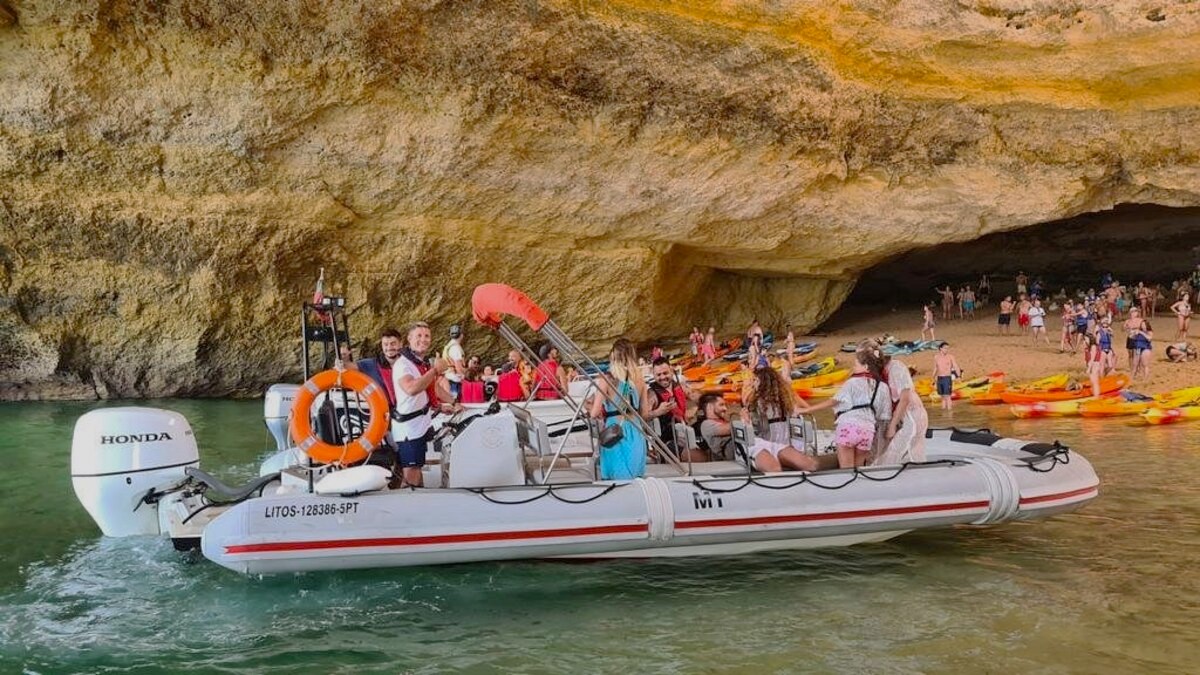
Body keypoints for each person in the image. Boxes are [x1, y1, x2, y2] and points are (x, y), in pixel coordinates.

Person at [801, 346, 892, 469]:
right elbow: (884, 416)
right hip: (867, 431)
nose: (853, 368)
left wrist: (805, 409)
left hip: (848, 427)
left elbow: (833, 401)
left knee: (845, 471)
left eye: (856, 365)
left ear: (865, 367)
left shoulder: (852, 382)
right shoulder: (883, 387)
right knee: (859, 470)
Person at [392, 321, 453, 488]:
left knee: (417, 467)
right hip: (409, 428)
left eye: (427, 336)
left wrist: (454, 403)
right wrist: (435, 371)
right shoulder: (403, 364)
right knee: (411, 472)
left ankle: (421, 499)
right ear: (409, 339)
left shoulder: (421, 363)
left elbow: (433, 388)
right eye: (418, 336)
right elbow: (411, 389)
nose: (423, 339)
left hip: (420, 425)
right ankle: (410, 507)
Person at [740, 365, 822, 472]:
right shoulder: (759, 403)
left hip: (777, 443)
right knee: (775, 467)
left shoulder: (781, 402)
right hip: (763, 444)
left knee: (810, 465)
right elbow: (751, 432)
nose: (753, 383)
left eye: (755, 380)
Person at [590, 338, 650, 480]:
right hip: (635, 431)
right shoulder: (640, 380)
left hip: (615, 432)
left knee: (616, 479)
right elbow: (645, 414)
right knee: (635, 479)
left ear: (614, 356)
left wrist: (589, 406)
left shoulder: (607, 379)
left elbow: (594, 412)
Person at [646, 357, 702, 462]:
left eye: (665, 373)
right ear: (653, 375)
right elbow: (643, 416)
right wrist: (658, 412)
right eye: (658, 375)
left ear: (671, 371)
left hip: (684, 433)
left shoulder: (680, 387)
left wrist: (697, 409)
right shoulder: (651, 394)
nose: (662, 377)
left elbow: (698, 397)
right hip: (666, 443)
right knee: (699, 456)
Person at [356, 328, 404, 410]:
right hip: (384, 412)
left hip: (408, 412)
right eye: (385, 344)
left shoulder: (409, 363)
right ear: (382, 346)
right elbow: (349, 366)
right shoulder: (371, 364)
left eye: (393, 344)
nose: (389, 347)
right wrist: (342, 360)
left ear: (400, 344)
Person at [694, 393, 734, 462]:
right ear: (710, 406)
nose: (725, 408)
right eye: (721, 405)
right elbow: (729, 429)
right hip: (729, 459)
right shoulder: (706, 424)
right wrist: (744, 421)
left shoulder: (722, 421)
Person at [441, 324, 467, 401]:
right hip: (455, 381)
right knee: (457, 403)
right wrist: (468, 375)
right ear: (461, 335)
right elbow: (459, 368)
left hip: (449, 378)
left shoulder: (448, 346)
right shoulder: (456, 348)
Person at [933, 343, 961, 411]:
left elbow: (955, 366)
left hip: (947, 378)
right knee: (942, 396)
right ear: (941, 348)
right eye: (945, 348)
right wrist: (933, 377)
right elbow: (936, 368)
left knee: (947, 396)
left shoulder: (950, 357)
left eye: (947, 348)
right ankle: (943, 412)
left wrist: (958, 376)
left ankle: (949, 413)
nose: (947, 350)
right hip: (939, 378)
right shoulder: (936, 357)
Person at [1083, 333, 1103, 398]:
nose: (1085, 341)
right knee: (1093, 380)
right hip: (1092, 364)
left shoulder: (1093, 347)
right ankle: (1095, 394)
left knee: (1094, 381)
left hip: (1095, 364)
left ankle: (1096, 396)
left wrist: (1089, 368)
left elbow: (1092, 358)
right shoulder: (1087, 347)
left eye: (1086, 339)